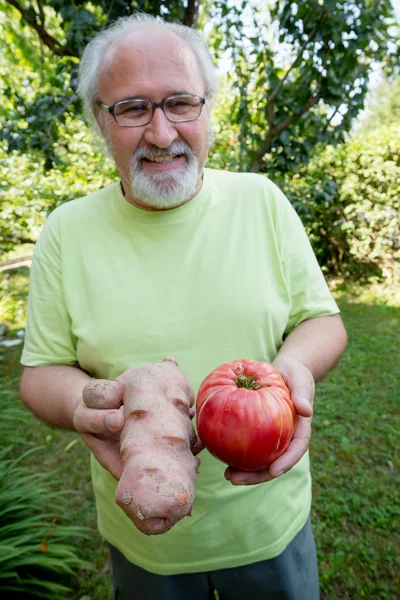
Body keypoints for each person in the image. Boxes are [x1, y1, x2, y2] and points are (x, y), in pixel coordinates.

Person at [19, 13, 347, 600]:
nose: (163, 133)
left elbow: (321, 320)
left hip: (268, 522)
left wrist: (297, 369)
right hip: (144, 537)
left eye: (179, 103)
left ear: (208, 108)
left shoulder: (261, 202)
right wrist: (82, 406)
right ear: (100, 118)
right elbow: (41, 372)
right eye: (133, 108)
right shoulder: (66, 232)